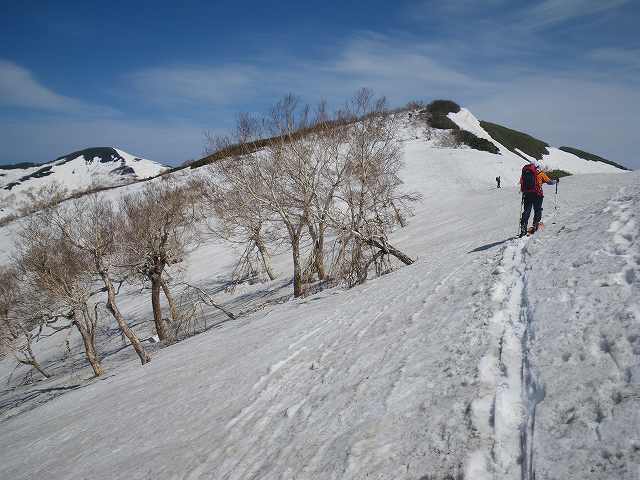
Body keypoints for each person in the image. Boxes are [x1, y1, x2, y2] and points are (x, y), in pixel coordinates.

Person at [519, 161, 557, 237]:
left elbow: (521, 182)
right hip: (537, 194)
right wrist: (556, 181)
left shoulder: (525, 173)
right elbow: (549, 182)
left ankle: (523, 228)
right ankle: (535, 225)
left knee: (526, 211)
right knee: (537, 209)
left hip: (527, 194)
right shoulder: (540, 173)